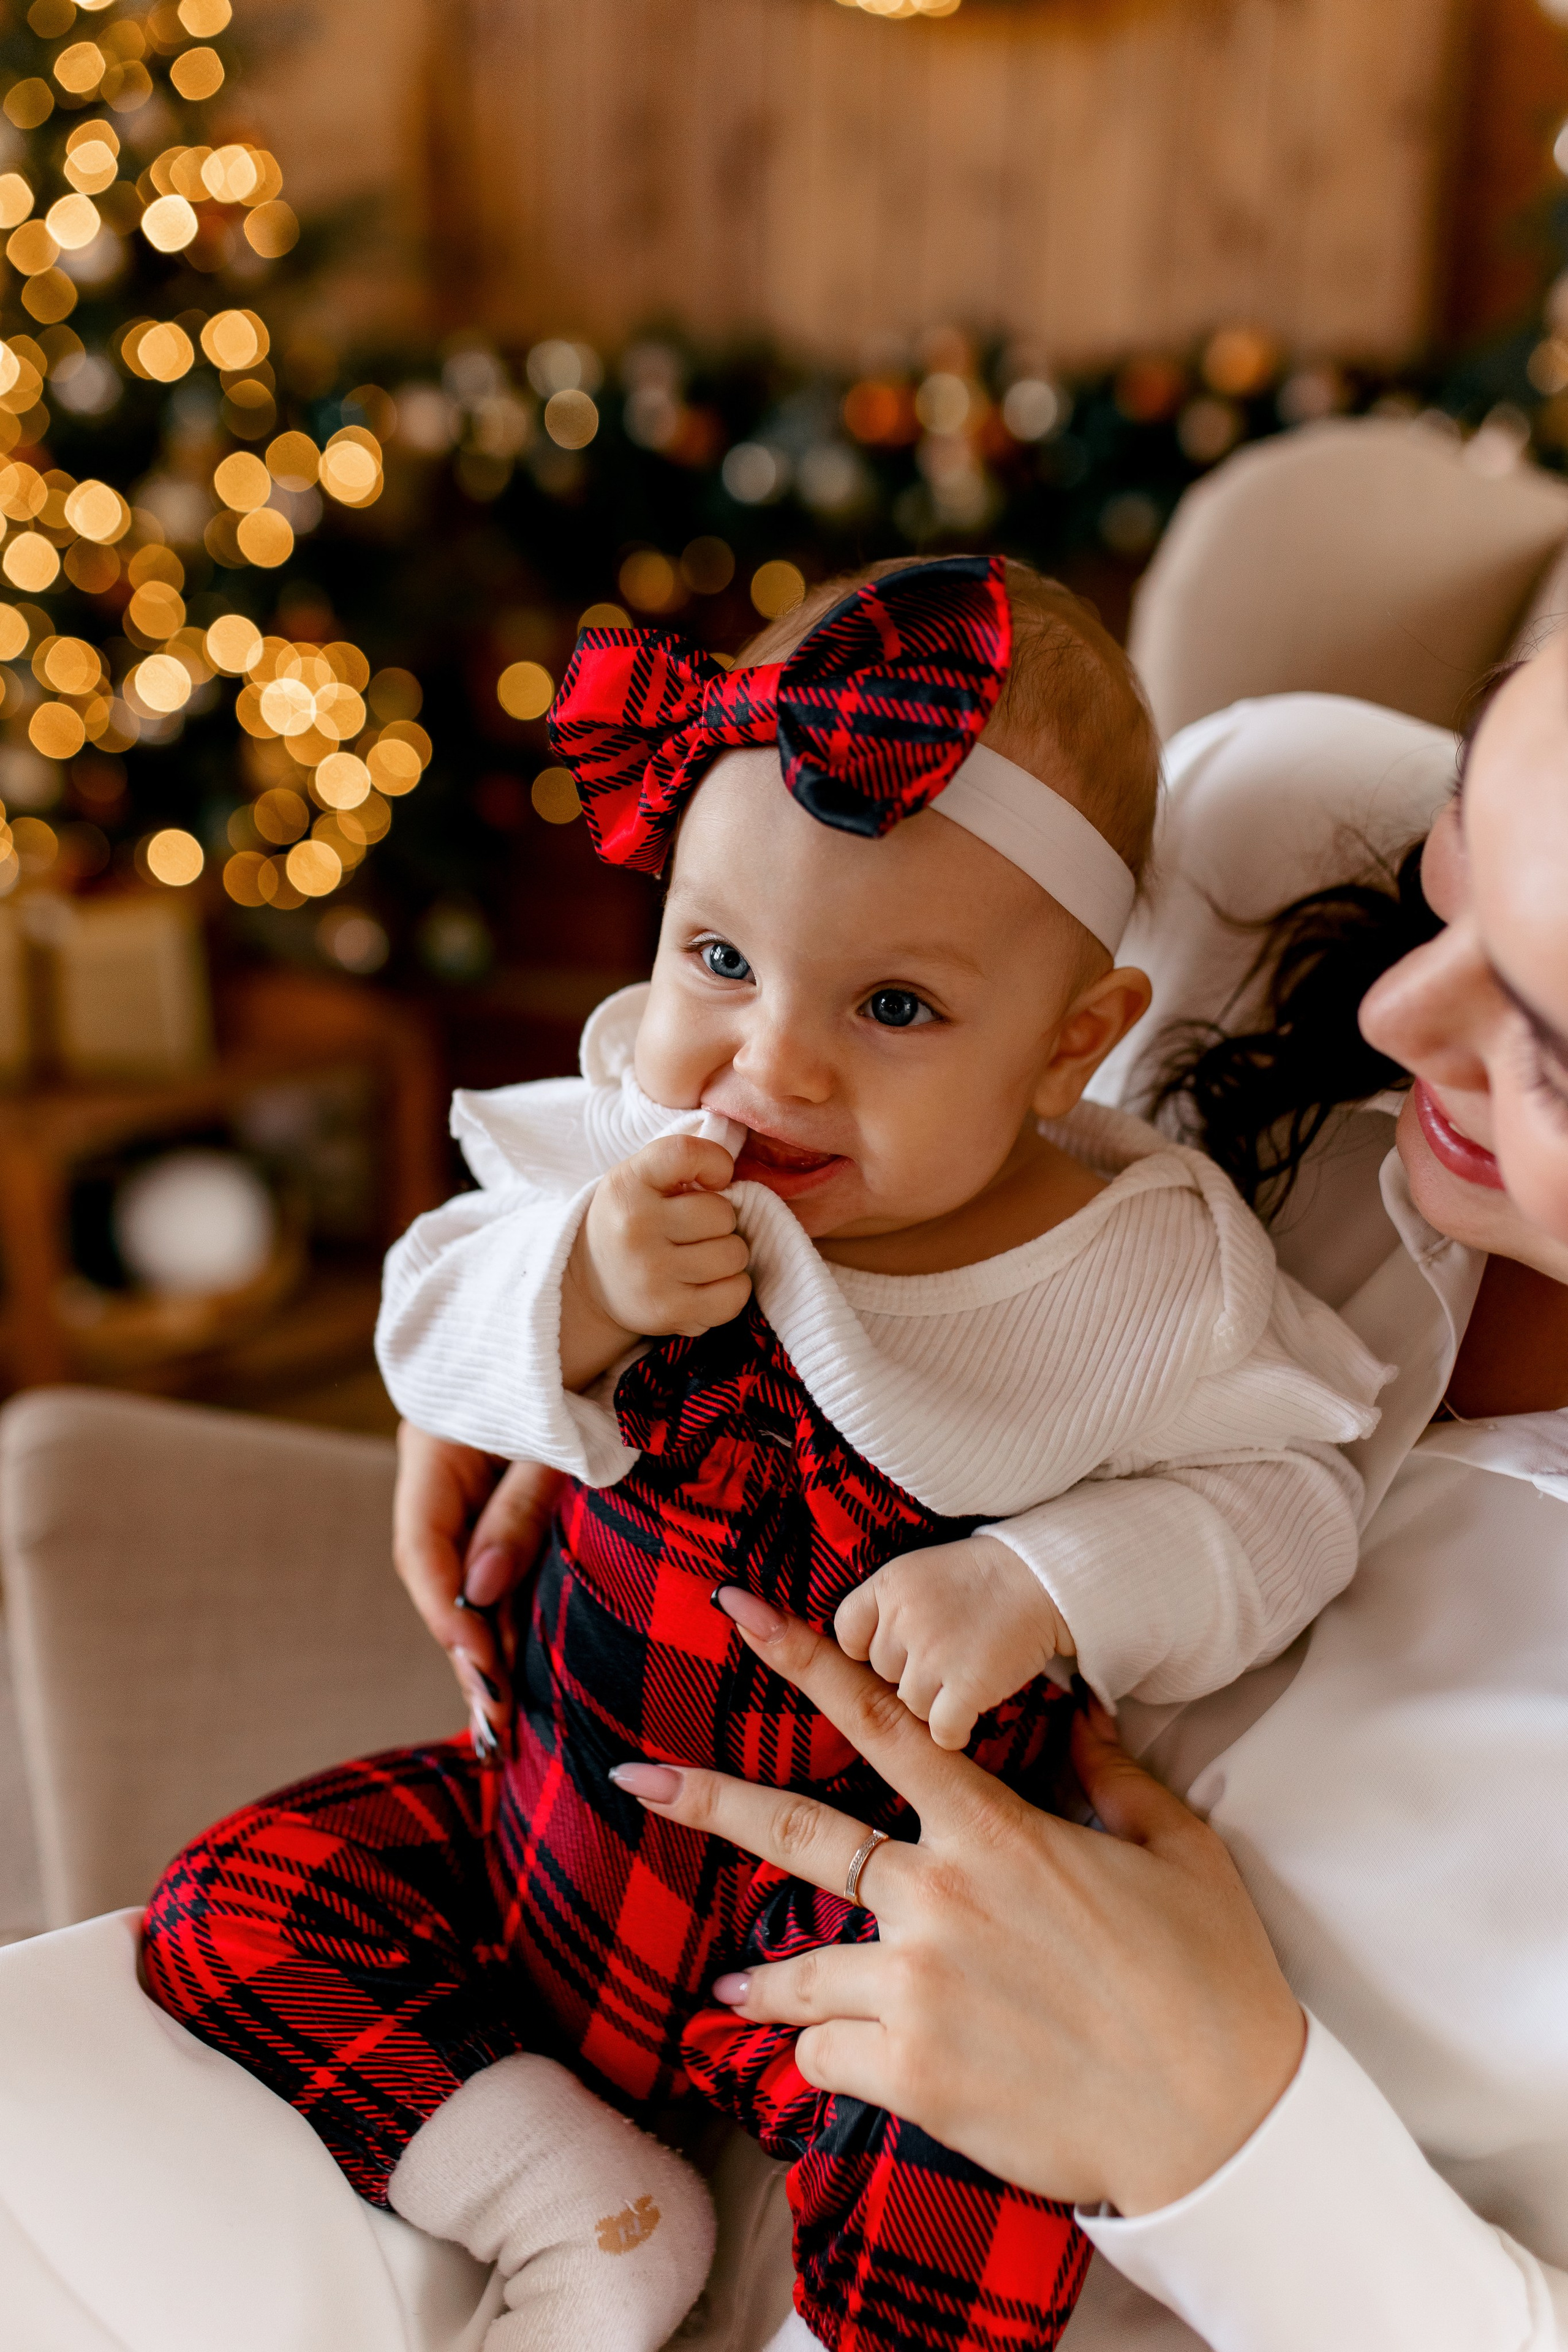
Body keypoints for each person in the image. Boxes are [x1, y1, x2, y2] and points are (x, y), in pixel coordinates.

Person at [140, 559, 1387, 2352]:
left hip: (858, 1961)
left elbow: (1292, 1502)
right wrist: (574, 1290)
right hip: (550, 1837)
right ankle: (572, 2200)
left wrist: (1045, 1580)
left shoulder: (1133, 1276)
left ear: (1069, 1043)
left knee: (980, 2224)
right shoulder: (644, 1137)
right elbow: (426, 1322)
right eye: (719, 958)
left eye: (894, 1009)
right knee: (233, 1908)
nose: (772, 1062)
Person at [584, 655, 1568, 2349]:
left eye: (1555, 1046)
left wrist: (1225, 2125)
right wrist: (546, 1326)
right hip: (580, 2034)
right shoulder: (1248, 840)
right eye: (1460, 864)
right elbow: (772, 1024)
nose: (1397, 1016)